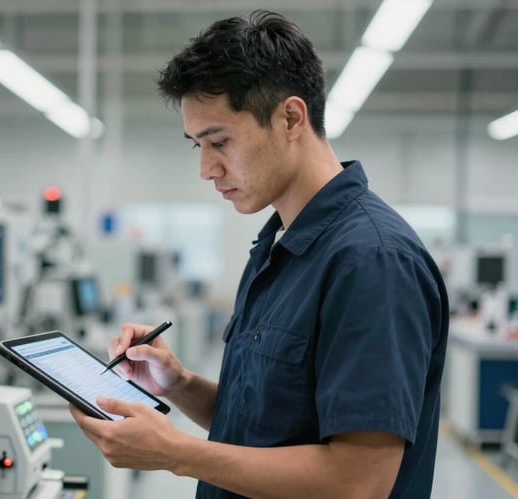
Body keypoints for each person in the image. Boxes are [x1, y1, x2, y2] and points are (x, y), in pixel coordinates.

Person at [69, 9, 449, 498]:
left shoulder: (371, 261)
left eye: (220, 141)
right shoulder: (277, 245)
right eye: (197, 146)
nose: (207, 169)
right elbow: (263, 426)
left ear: (290, 118)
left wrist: (175, 452)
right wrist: (179, 383)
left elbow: (359, 482)